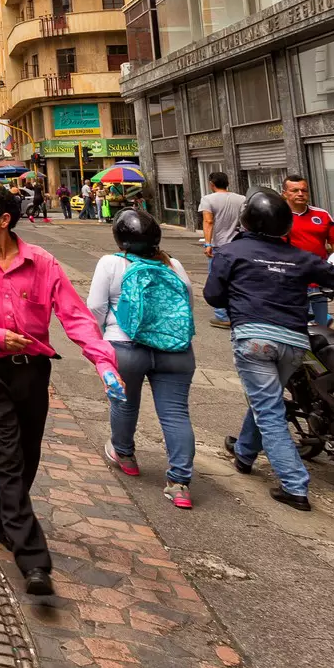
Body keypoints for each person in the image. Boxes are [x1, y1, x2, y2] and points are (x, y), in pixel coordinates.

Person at [0, 185, 124, 596]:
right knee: (7, 454)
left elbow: (75, 317)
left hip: (33, 370)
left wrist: (104, 362)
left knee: (28, 450)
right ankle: (32, 557)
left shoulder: (43, 262)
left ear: (5, 220)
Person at [206, 188, 334, 512]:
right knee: (268, 400)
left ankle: (294, 485)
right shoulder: (301, 257)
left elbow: (213, 296)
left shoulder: (232, 253)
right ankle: (245, 452)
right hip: (294, 342)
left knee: (269, 409)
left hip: (254, 339)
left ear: (246, 221)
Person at [89, 209, 198, 509]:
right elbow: (187, 305)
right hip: (176, 351)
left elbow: (96, 308)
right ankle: (179, 483)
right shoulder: (173, 264)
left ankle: (124, 454)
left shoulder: (112, 263)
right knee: (176, 414)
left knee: (124, 403)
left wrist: (97, 342)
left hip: (126, 346)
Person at [281, 172, 334, 327]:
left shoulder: (322, 215)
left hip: (318, 281)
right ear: (284, 194)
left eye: (304, 190)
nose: (300, 194)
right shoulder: (277, 217)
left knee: (321, 328)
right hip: (288, 281)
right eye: (295, 190)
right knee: (294, 328)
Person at [199, 172, 248, 328]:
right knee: (237, 279)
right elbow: (245, 221)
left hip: (218, 246)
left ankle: (222, 316)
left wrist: (208, 244)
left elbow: (208, 221)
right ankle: (238, 312)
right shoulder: (241, 199)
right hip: (237, 244)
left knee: (217, 280)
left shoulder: (207, 199)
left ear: (211, 184)